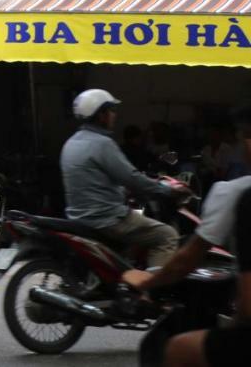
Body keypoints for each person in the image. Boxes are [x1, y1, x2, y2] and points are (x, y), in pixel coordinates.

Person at [122, 103, 251, 367]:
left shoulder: (239, 194)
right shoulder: (141, 150)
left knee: (179, 349)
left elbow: (188, 259)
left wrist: (148, 282)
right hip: (149, 192)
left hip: (151, 196)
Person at [61, 89, 184, 267]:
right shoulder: (102, 143)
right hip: (107, 220)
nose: (114, 115)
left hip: (79, 218)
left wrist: (122, 190)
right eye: (111, 111)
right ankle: (149, 290)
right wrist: (167, 190)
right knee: (167, 235)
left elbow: (94, 181)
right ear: (101, 115)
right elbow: (132, 178)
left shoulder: (71, 143)